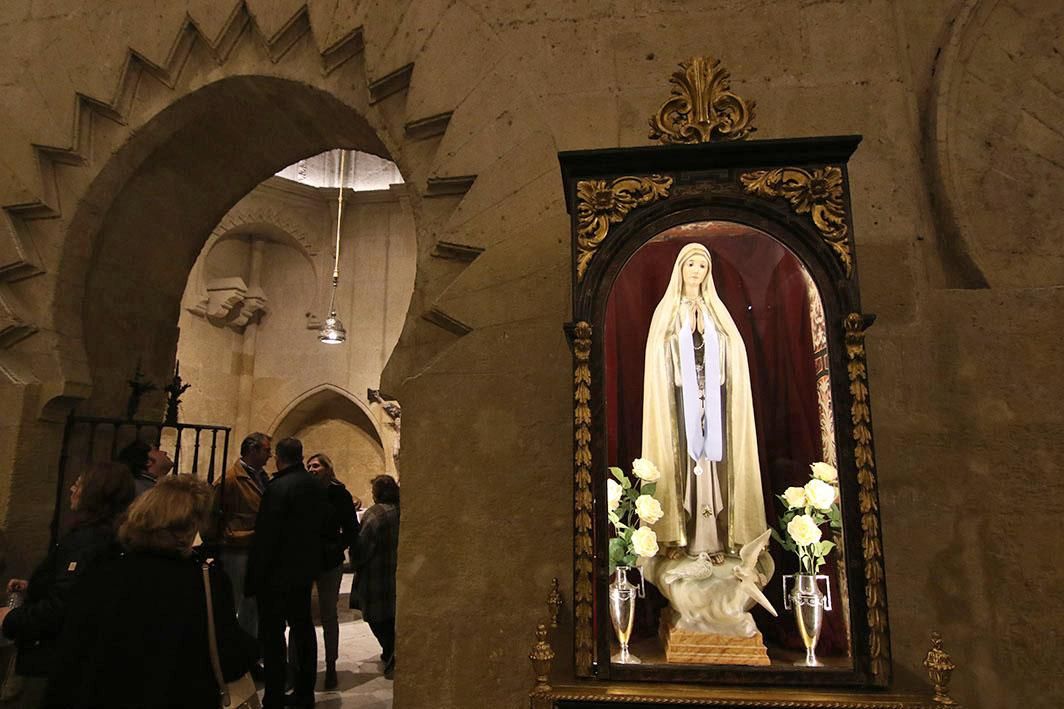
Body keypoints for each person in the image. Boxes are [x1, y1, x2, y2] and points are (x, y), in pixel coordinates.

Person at [43, 475, 257, 707]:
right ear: (189, 526)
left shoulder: (103, 569)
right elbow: (229, 656)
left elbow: (73, 648)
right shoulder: (204, 580)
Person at [641, 243, 766, 563]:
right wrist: (684, 333)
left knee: (710, 467)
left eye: (702, 266)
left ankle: (713, 539)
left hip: (711, 402)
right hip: (681, 406)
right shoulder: (667, 309)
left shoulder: (715, 309)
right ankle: (679, 536)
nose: (696, 271)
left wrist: (709, 334)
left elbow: (733, 351)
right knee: (682, 462)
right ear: (680, 269)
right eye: (691, 265)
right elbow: (659, 354)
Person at [0, 462, 133, 705]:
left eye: (80, 484)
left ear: (95, 493)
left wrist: (9, 618)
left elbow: (62, 607)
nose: (72, 488)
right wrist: (38, 585)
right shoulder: (100, 537)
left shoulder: (89, 542)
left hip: (53, 658)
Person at [247, 437, 326, 708]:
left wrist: (256, 576)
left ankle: (275, 693)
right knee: (304, 629)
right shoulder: (315, 486)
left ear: (279, 458)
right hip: (303, 572)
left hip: (276, 574)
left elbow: (267, 536)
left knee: (273, 635)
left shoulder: (278, 487)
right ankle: (305, 692)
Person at [300, 453, 359, 690]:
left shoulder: (339, 493)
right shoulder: (303, 492)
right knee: (300, 616)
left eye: (316, 465)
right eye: (309, 466)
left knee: (328, 615)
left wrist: (338, 546)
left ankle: (331, 665)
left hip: (329, 561)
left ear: (327, 468)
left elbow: (352, 528)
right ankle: (299, 666)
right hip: (305, 559)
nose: (312, 469)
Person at [212, 432, 271, 645]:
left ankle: (249, 650)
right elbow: (213, 514)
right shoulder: (230, 479)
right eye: (266, 450)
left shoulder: (263, 476)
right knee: (233, 602)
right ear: (253, 450)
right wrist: (225, 537)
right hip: (236, 548)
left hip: (255, 547)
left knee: (252, 603)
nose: (270, 455)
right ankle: (225, 649)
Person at [350, 474, 400, 679]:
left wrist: (355, 562)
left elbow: (361, 548)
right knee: (392, 616)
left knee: (378, 619)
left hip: (376, 575)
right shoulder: (403, 510)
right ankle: (392, 653)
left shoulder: (374, 514)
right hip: (395, 575)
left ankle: (392, 653)